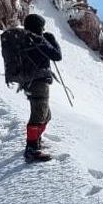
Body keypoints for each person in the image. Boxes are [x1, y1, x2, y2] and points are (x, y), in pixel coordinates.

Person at [19, 13, 62, 162]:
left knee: (45, 114)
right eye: (42, 27)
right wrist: (52, 40)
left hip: (29, 82)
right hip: (39, 82)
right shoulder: (38, 40)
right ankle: (32, 149)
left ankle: (35, 141)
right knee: (39, 114)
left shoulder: (24, 40)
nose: (43, 30)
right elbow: (57, 55)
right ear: (38, 27)